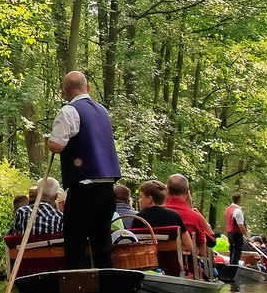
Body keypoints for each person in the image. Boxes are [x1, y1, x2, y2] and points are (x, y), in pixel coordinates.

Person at [47, 71, 122, 268]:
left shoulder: (69, 111)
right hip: (107, 188)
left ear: (65, 92)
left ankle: (79, 289)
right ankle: (107, 288)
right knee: (102, 242)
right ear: (87, 88)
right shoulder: (102, 111)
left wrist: (50, 140)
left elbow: (56, 145)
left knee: (75, 243)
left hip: (85, 189)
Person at [135, 179, 196, 257]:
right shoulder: (174, 215)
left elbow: (135, 246)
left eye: (141, 197)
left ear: (149, 199)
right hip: (171, 264)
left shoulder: (139, 218)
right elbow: (189, 247)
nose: (139, 200)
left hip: (147, 261)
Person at [164, 174, 216, 251]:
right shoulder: (195, 217)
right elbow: (207, 247)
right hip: (187, 262)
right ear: (187, 190)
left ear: (167, 190)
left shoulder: (156, 214)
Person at [224, 192, 249, 267]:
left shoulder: (227, 209)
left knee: (232, 251)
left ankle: (231, 266)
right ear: (239, 200)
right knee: (237, 252)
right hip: (236, 234)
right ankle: (234, 268)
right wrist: (246, 236)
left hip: (229, 233)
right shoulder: (238, 211)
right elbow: (241, 225)